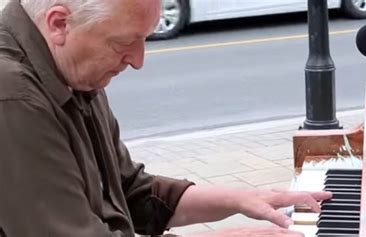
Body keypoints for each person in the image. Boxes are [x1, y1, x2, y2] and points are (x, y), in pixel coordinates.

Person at [0, 0, 332, 236]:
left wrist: (242, 199)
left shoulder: (72, 67)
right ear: (59, 24)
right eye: (124, 42)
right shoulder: (13, 95)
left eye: (143, 39)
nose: (138, 60)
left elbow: (132, 192)